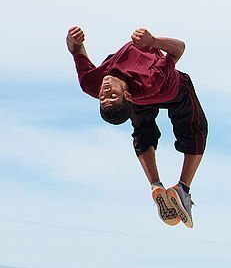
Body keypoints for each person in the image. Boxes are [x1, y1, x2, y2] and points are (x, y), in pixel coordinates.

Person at [66, 26, 207, 228]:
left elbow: (75, 50)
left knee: (142, 130)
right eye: (113, 95)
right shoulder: (149, 81)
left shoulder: (91, 83)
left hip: (141, 99)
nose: (106, 90)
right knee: (195, 128)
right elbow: (179, 49)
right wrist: (153, 42)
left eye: (103, 97)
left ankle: (155, 185)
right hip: (172, 92)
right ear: (127, 95)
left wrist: (73, 40)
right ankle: (183, 189)